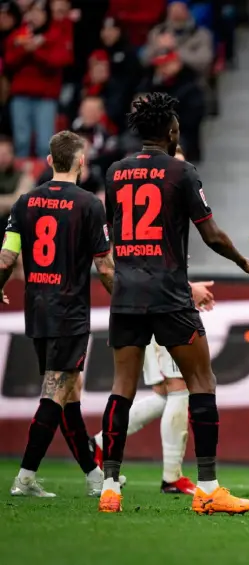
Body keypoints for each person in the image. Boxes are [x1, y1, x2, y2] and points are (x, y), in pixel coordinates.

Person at [98, 92, 249, 514]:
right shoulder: (181, 171)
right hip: (170, 294)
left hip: (127, 293)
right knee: (201, 381)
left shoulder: (115, 173)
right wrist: (242, 261)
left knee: (122, 388)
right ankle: (207, 489)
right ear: (171, 132)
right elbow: (211, 234)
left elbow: (113, 236)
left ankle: (110, 488)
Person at [90, 145, 214, 496]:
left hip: (145, 299)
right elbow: (149, 264)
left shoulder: (138, 195)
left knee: (164, 392)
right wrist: (188, 290)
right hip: (158, 305)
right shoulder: (160, 195)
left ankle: (98, 444)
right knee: (179, 386)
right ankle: (172, 475)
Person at [0, 131, 114, 497]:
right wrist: (126, 302)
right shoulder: (89, 204)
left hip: (37, 310)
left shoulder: (24, 202)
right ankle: (25, 478)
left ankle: (94, 476)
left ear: (49, 161)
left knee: (69, 393)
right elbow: (105, 267)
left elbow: (6, 257)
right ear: (81, 162)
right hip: (69, 313)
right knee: (55, 393)